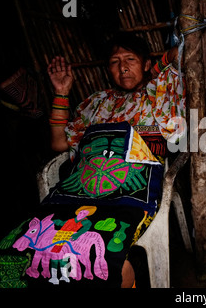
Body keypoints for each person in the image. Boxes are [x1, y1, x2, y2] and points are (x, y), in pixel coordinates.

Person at [46, 32, 185, 287]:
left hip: (131, 192)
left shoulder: (158, 93)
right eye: (114, 61)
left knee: (107, 261)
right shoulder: (98, 102)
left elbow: (179, 56)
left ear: (145, 64)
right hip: (82, 192)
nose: (122, 67)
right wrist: (62, 92)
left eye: (130, 59)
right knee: (34, 248)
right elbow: (58, 142)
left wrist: (156, 66)